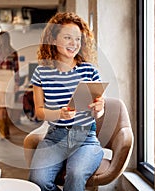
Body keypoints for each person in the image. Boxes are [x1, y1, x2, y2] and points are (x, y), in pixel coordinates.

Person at [29, 12, 105, 191]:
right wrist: (59, 114)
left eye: (78, 39)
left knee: (76, 174)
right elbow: (39, 111)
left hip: (85, 137)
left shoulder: (89, 71)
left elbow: (98, 111)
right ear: (53, 40)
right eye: (68, 38)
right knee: (37, 180)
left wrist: (99, 108)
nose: (74, 44)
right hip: (55, 137)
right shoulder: (41, 72)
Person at [0, 31, 19, 139]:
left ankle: (6, 130)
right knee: (1, 105)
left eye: (1, 38)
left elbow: (17, 69)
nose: (0, 40)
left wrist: (16, 83)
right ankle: (2, 131)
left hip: (10, 77)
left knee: (8, 106)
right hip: (0, 77)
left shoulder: (13, 52)